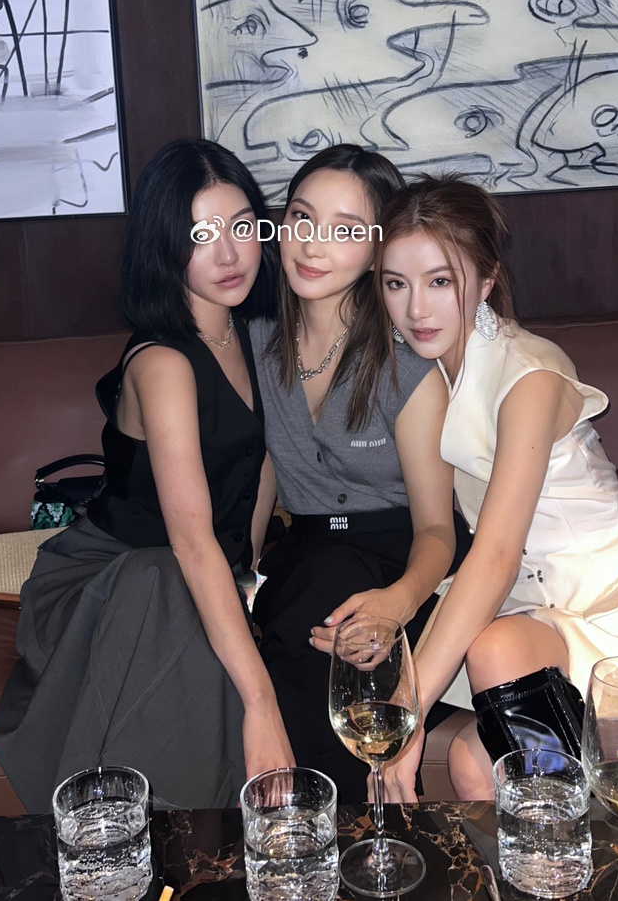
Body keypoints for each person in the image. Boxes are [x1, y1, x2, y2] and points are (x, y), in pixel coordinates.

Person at [368, 175, 618, 802]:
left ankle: (596, 838)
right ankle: (570, 845)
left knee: (496, 659)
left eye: (440, 281)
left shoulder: (529, 373)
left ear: (487, 281)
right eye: (397, 284)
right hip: (543, 608)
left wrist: (406, 715)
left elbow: (496, 554)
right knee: (473, 767)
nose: (417, 309)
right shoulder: (428, 376)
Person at [0, 139, 294, 811]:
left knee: (207, 600)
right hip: (108, 582)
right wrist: (261, 703)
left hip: (190, 576)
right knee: (166, 585)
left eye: (242, 226)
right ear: (163, 246)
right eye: (200, 236)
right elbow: (189, 543)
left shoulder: (257, 335)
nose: (228, 254)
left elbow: (261, 462)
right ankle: (133, 827)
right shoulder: (163, 364)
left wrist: (246, 574)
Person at [250, 145, 465, 799]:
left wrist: (397, 605)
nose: (313, 244)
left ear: (377, 251)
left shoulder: (407, 366)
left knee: (337, 614)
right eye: (301, 217)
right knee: (312, 597)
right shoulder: (255, 341)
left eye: (345, 230)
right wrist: (241, 570)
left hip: (401, 560)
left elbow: (437, 528)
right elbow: (262, 467)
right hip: (308, 555)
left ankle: (320, 820)